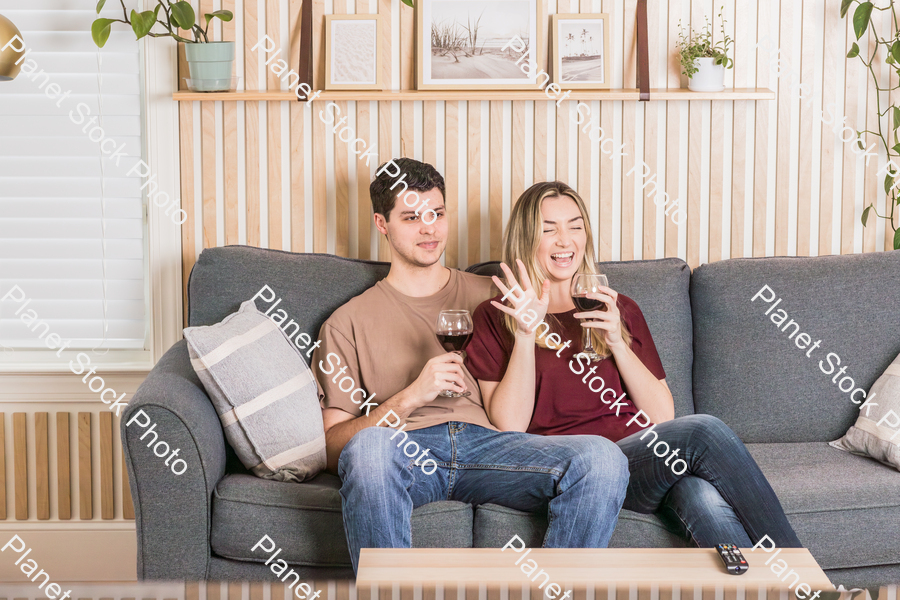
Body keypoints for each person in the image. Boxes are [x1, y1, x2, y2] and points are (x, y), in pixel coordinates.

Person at [313, 159, 630, 574]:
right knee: (369, 449)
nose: (429, 229)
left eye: (437, 214)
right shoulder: (345, 322)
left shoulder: (497, 294)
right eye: (412, 217)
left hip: (492, 448)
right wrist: (410, 397)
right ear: (382, 223)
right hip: (406, 450)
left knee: (603, 458)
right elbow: (334, 445)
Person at [465, 181, 803, 550]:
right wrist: (527, 333)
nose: (565, 241)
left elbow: (662, 416)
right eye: (549, 230)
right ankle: (809, 583)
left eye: (575, 227)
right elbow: (510, 427)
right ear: (526, 238)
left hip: (643, 461)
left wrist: (617, 344)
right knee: (704, 431)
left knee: (701, 497)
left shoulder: (617, 308)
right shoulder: (496, 317)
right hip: (579, 469)